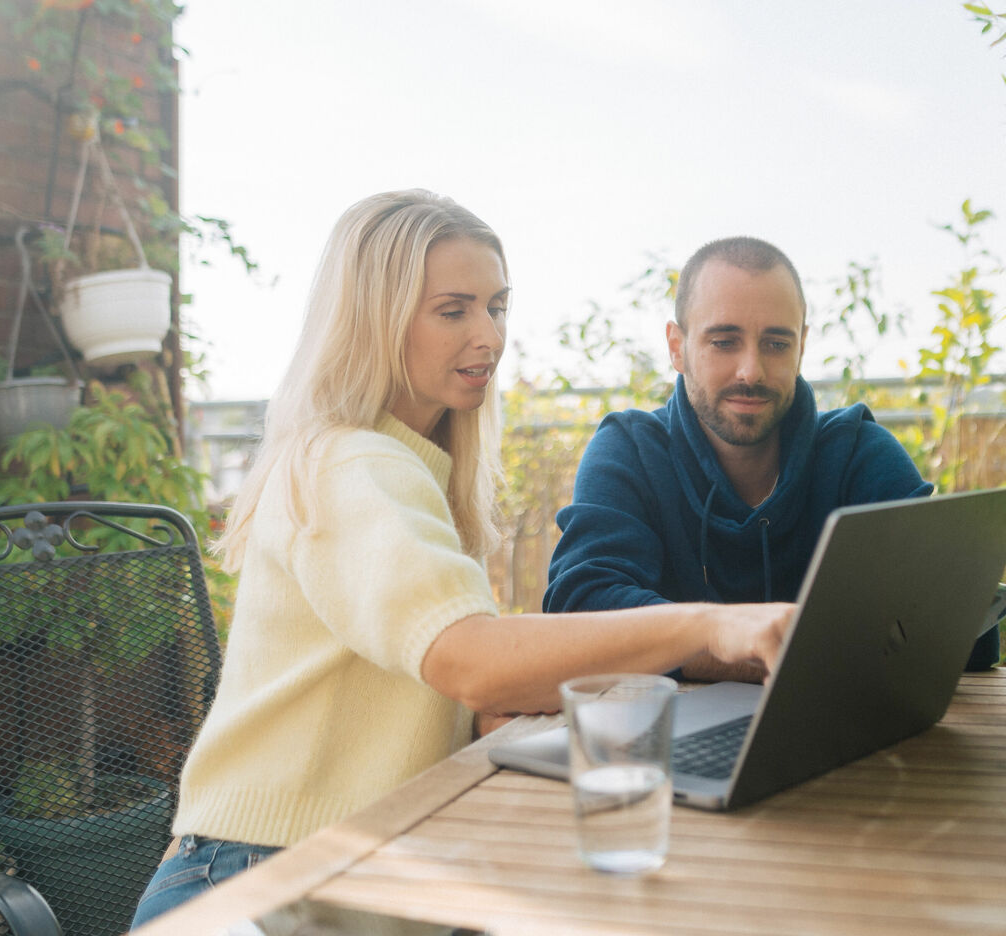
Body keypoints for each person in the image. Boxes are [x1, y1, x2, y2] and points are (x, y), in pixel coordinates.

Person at [129, 191, 794, 928]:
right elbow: (466, 655)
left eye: (497, 307)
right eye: (454, 311)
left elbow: (448, 666)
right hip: (259, 880)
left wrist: (478, 706)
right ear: (375, 321)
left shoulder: (408, 467)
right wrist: (708, 627)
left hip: (368, 860)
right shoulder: (346, 464)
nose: (490, 336)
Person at [543, 236, 933, 683]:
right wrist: (728, 642)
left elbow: (958, 629)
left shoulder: (858, 453)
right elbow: (579, 609)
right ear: (677, 346)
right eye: (724, 342)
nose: (751, 371)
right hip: (667, 737)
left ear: (802, 347)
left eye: (776, 344)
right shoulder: (630, 451)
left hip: (839, 733)